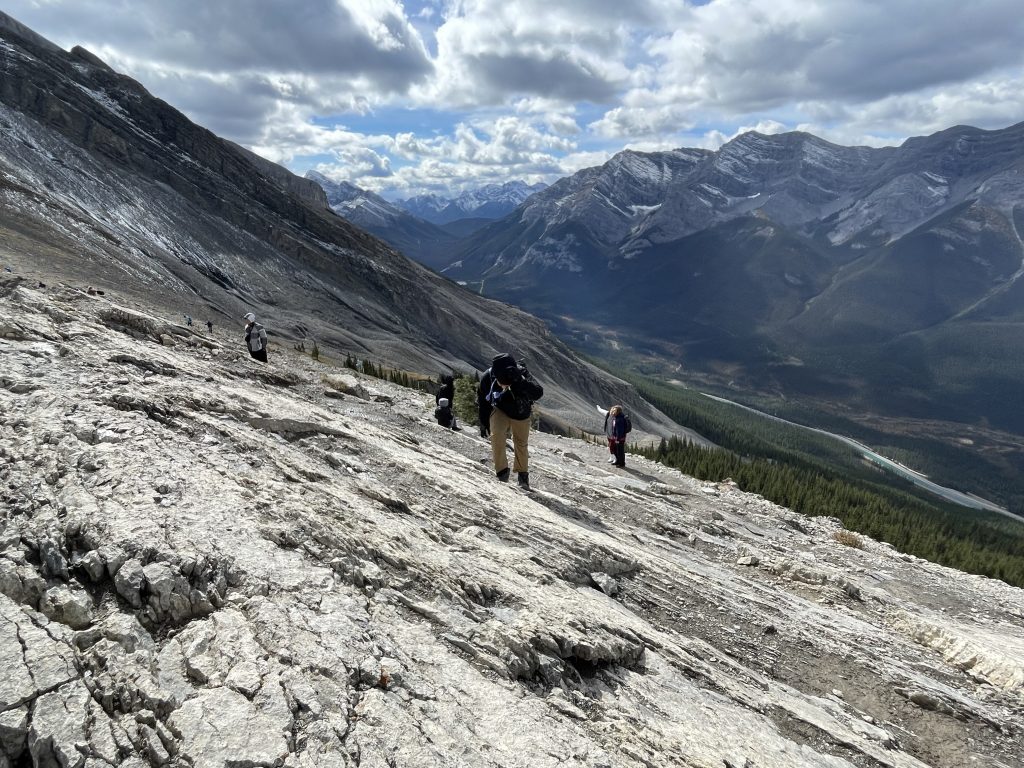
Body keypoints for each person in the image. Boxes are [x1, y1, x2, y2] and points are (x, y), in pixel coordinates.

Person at [477, 354, 543, 490]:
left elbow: (538, 393)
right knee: (496, 436)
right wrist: (484, 423)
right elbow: (483, 402)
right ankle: (502, 472)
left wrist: (520, 381)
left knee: (520, 443)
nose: (502, 384)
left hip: (521, 412)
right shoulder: (488, 377)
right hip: (500, 409)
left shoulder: (521, 374)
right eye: (500, 381)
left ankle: (522, 476)